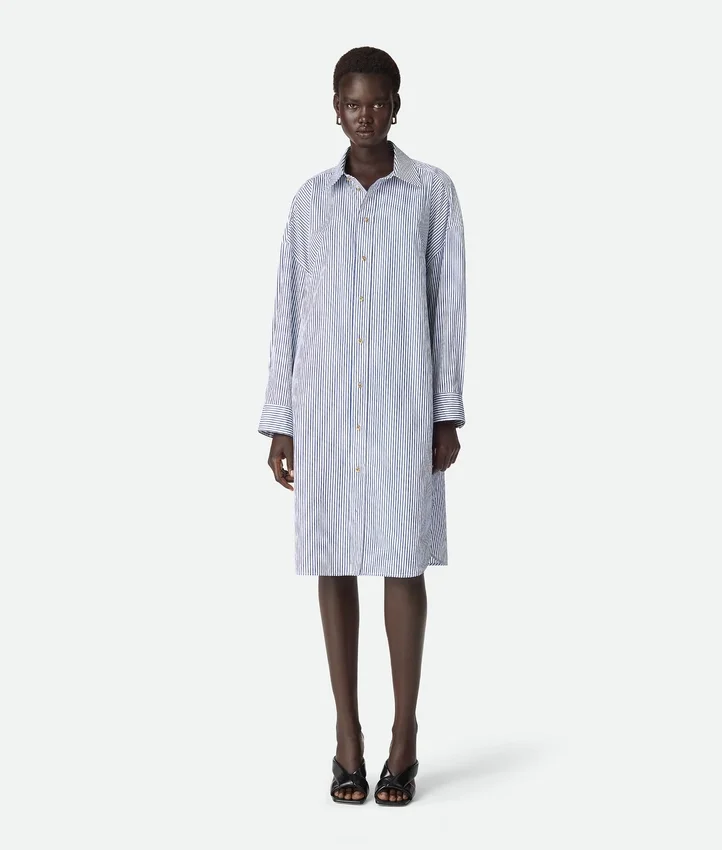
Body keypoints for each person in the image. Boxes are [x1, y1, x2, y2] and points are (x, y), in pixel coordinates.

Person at [258, 45, 467, 806]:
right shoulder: (310, 201)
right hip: (323, 409)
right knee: (335, 560)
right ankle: (347, 736)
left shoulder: (432, 193)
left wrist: (446, 411)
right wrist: (281, 419)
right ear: (336, 109)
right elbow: (290, 308)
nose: (366, 115)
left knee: (403, 561)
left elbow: (449, 305)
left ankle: (403, 736)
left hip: (403, 408)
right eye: (354, 103)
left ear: (397, 106)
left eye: (379, 102)